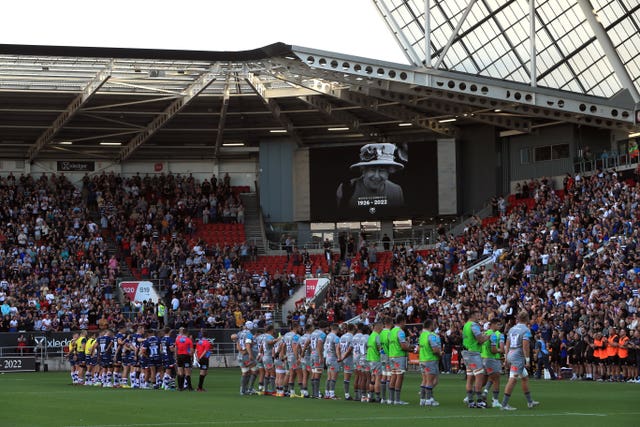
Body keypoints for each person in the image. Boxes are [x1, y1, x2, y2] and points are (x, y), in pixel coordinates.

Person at [336, 143, 405, 210]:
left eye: (382, 170)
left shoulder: (396, 190)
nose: (376, 176)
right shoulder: (345, 188)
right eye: (372, 170)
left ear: (389, 172)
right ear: (363, 170)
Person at [501, 311, 539, 410]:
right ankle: (504, 404)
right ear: (527, 319)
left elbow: (507, 343)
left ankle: (530, 402)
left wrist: (506, 357)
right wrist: (527, 360)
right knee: (513, 379)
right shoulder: (526, 330)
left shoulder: (512, 329)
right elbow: (525, 345)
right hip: (518, 357)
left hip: (511, 354)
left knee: (525, 378)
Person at [461, 309, 489, 408]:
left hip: (466, 353)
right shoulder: (473, 325)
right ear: (473, 315)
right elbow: (480, 339)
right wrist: (487, 336)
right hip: (473, 353)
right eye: (478, 314)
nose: (479, 316)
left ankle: (470, 401)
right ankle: (480, 401)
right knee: (479, 376)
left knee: (470, 377)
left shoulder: (466, 325)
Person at [388, 314, 411, 405]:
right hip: (399, 356)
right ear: (402, 321)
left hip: (391, 356)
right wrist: (411, 348)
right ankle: (397, 400)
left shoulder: (391, 331)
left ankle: (391, 399)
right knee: (399, 376)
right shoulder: (400, 332)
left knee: (393, 376)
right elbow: (403, 346)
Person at [481, 318, 505, 408]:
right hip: (493, 359)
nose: (500, 326)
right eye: (498, 324)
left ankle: (471, 396)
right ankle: (495, 400)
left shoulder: (484, 334)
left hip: (483, 358)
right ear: (493, 325)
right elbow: (496, 350)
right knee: (496, 379)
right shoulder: (497, 335)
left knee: (483, 380)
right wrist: (501, 350)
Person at [418, 318, 441, 407]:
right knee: (430, 381)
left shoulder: (422, 335)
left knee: (424, 380)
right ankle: (429, 400)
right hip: (430, 360)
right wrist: (440, 354)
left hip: (422, 360)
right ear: (431, 326)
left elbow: (420, 347)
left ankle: (422, 400)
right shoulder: (430, 335)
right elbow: (435, 349)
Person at [366, 321, 383, 403]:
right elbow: (380, 348)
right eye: (381, 327)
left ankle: (370, 397)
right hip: (376, 359)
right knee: (377, 378)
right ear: (378, 327)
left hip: (369, 359)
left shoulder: (370, 336)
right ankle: (377, 397)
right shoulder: (377, 336)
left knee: (372, 378)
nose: (382, 329)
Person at [309, 321, 327, 398]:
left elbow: (309, 343)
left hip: (312, 354)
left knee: (313, 372)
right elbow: (319, 344)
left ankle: (314, 393)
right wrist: (320, 356)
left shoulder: (313, 333)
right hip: (317, 355)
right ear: (325, 327)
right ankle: (316, 394)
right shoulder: (322, 334)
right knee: (318, 373)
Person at [324, 323, 341, 400]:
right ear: (337, 329)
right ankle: (332, 394)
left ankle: (327, 393)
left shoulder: (328, 336)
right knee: (333, 377)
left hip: (328, 357)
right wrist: (339, 357)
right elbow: (337, 349)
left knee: (329, 377)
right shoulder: (336, 337)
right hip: (333, 358)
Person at [338, 323, 355, 400]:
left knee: (346, 376)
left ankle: (347, 394)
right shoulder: (352, 337)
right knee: (349, 376)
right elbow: (350, 349)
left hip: (342, 357)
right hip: (349, 358)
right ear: (353, 329)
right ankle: (347, 394)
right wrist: (344, 357)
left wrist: (340, 357)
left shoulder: (342, 336)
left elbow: (338, 347)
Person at [175, 327, 194, 391]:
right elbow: (191, 350)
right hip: (186, 356)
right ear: (187, 333)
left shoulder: (177, 339)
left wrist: (176, 357)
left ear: (182, 332)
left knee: (180, 372)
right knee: (187, 372)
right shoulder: (189, 340)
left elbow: (176, 349)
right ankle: (190, 387)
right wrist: (191, 356)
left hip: (179, 356)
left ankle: (180, 387)